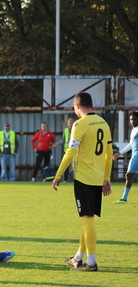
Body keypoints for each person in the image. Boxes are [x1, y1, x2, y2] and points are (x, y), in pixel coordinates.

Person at [52, 92, 113, 272]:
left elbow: (70, 152)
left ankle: (92, 262)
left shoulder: (79, 124)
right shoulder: (104, 123)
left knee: (87, 220)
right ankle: (78, 258)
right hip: (97, 177)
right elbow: (109, 155)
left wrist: (58, 174)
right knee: (87, 218)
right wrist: (106, 178)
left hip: (83, 178)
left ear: (77, 106)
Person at [112, 111, 138, 204]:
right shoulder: (134, 130)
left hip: (137, 155)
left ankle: (124, 198)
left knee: (128, 175)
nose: (132, 121)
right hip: (135, 154)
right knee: (129, 175)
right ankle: (124, 198)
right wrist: (120, 153)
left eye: (134, 119)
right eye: (131, 119)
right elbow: (131, 144)